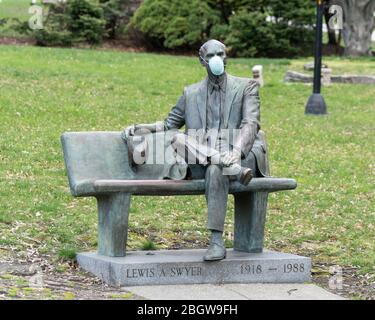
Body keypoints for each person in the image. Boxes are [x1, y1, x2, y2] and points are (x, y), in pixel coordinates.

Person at [123, 39, 264, 261]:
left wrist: (236, 152)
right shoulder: (191, 93)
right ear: (201, 61)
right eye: (210, 56)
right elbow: (169, 124)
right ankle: (224, 164)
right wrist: (143, 128)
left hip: (236, 156)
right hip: (203, 158)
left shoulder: (246, 86)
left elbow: (251, 124)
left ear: (226, 57)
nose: (217, 59)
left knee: (216, 169)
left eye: (221, 54)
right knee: (179, 139)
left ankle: (216, 242)